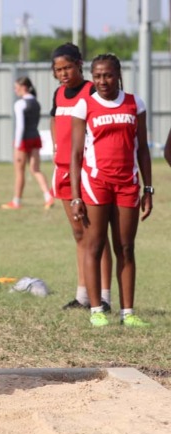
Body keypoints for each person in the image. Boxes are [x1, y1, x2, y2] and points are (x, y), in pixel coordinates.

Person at [70, 53, 153, 327]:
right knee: (94, 246)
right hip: (96, 184)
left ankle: (128, 313)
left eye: (107, 75)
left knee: (126, 248)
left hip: (127, 184)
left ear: (118, 75)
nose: (102, 81)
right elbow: (75, 154)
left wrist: (148, 188)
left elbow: (143, 149)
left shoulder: (134, 103)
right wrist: (75, 196)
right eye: (97, 76)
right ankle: (96, 310)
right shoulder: (85, 105)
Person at [50, 43, 112, 312]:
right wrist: (56, 145)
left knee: (96, 235)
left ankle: (105, 296)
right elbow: (54, 119)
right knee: (79, 233)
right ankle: (83, 295)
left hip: (87, 170)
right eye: (58, 70)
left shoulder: (92, 91)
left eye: (68, 67)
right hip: (63, 170)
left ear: (79, 64)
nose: (63, 74)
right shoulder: (58, 94)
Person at [2, 77, 54, 210]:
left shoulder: (20, 104)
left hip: (23, 140)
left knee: (19, 171)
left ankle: (16, 201)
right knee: (35, 169)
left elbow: (20, 126)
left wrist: (17, 144)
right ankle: (48, 197)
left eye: (16, 88)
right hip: (35, 137)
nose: (15, 91)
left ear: (24, 87)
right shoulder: (36, 102)